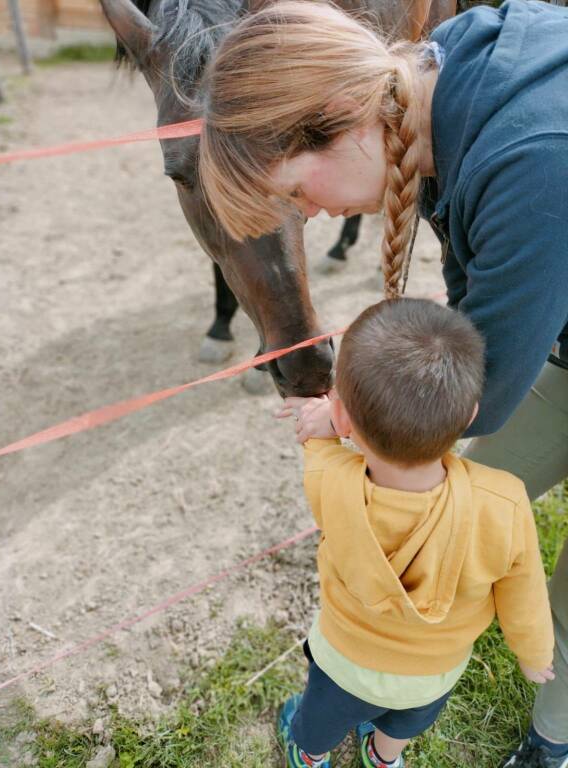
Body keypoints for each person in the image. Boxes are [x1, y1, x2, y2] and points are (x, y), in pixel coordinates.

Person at [188, 1, 568, 764]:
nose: (316, 213)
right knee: (457, 515)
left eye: (298, 191)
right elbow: (474, 316)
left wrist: (345, 414)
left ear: (339, 113)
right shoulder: (433, 78)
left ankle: (553, 740)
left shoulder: (534, 158)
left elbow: (479, 393)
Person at [270, 297, 553, 768]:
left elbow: (319, 447)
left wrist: (324, 424)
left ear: (344, 419)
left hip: (346, 663)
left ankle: (310, 754)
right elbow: (524, 589)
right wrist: (533, 652)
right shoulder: (504, 500)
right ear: (469, 415)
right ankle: (383, 758)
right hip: (434, 671)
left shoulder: (330, 480)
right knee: (403, 724)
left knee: (318, 720)